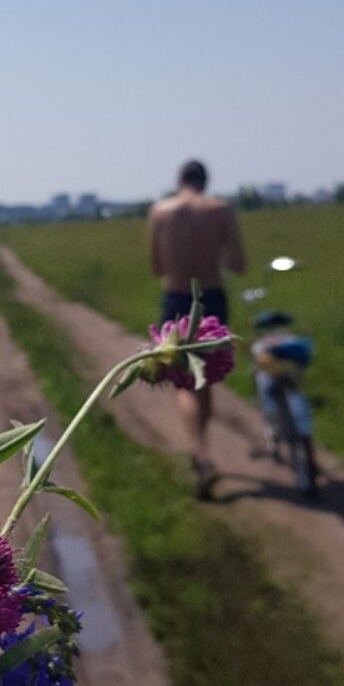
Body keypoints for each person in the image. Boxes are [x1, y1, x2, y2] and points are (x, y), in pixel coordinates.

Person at [148, 160, 245, 497]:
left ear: (179, 180)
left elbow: (156, 266)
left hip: (174, 297)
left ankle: (200, 452)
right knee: (206, 379)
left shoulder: (160, 211)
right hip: (212, 297)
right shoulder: (221, 210)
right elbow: (238, 263)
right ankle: (203, 450)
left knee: (184, 383)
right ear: (206, 180)